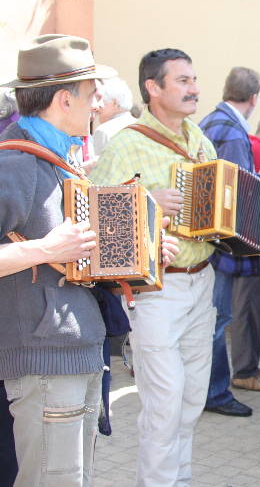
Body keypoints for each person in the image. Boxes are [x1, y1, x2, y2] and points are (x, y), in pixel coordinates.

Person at [0, 34, 176, 486]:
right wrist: (46, 250)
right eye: (91, 93)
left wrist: (142, 254)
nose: (99, 102)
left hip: (77, 350)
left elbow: (80, 255)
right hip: (42, 358)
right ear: (64, 99)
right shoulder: (16, 166)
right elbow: (53, 248)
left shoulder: (61, 160)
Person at [92, 48, 218, 486]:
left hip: (202, 283)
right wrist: (147, 204)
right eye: (182, 80)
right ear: (153, 87)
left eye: (194, 79)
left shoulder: (200, 139)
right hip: (155, 292)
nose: (194, 88)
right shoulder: (126, 144)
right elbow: (96, 218)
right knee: (164, 406)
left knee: (191, 402)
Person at [200, 67, 260, 421]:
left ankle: (215, 385)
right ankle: (215, 391)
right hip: (223, 243)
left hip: (210, 238)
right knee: (219, 319)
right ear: (254, 98)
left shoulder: (211, 121)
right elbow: (237, 191)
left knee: (215, 318)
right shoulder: (232, 132)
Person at [92, 76, 137, 156]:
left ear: (115, 103)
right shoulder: (142, 126)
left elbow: (98, 167)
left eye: (102, 101)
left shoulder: (104, 131)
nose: (99, 107)